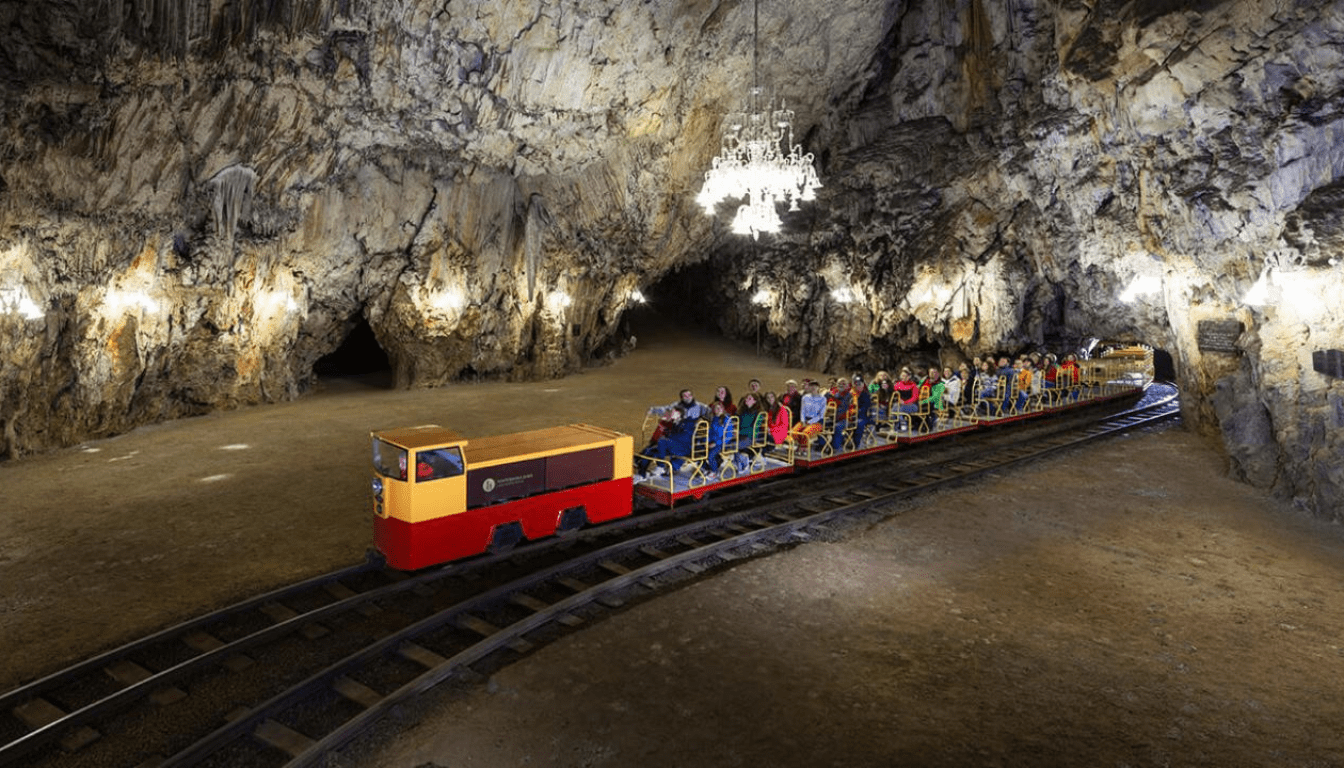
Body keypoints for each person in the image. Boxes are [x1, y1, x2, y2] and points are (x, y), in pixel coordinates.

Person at [788, 381, 826, 446]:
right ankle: (798, 445)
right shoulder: (805, 397)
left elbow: (821, 414)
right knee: (793, 432)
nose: (813, 388)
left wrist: (810, 422)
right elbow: (803, 410)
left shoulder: (823, 399)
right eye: (811, 386)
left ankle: (804, 448)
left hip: (817, 422)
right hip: (805, 420)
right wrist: (803, 421)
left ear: (818, 388)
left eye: (815, 386)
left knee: (805, 433)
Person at [915, 366, 944, 432]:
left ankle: (927, 424)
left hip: (934, 400)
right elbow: (918, 388)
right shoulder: (924, 380)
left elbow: (935, 397)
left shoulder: (939, 383)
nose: (932, 374)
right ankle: (918, 424)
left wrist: (924, 401)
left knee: (927, 406)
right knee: (914, 405)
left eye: (934, 372)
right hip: (922, 398)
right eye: (930, 372)